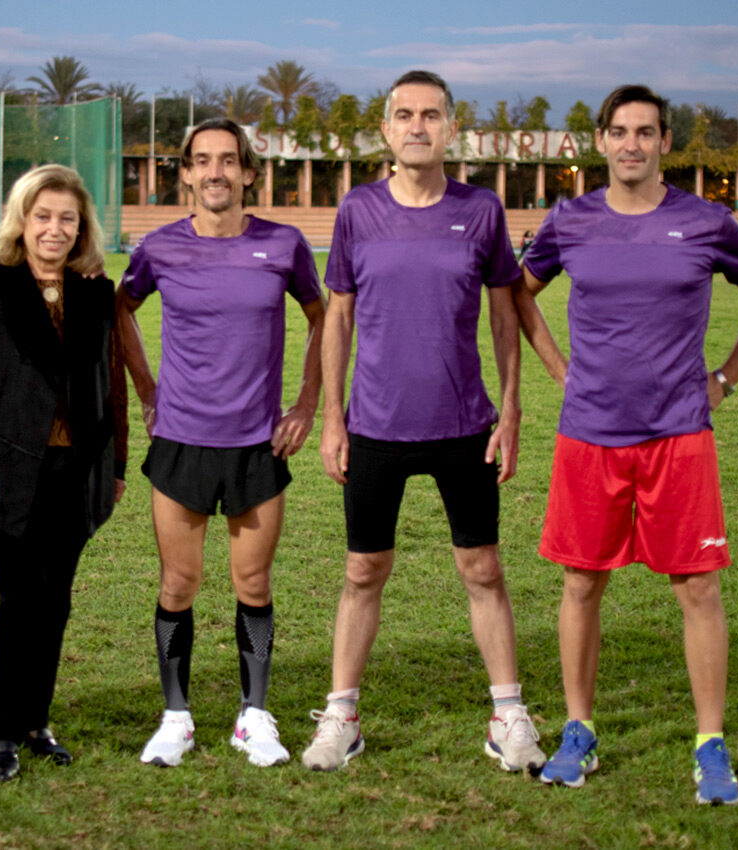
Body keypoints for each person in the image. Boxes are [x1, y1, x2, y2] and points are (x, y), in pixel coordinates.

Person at [514, 84, 738, 804]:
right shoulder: (570, 221)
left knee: (697, 586)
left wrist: (724, 377)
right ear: (601, 141)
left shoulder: (705, 222)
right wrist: (557, 372)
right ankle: (579, 730)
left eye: (646, 132)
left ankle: (710, 743)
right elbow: (516, 296)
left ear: (665, 143)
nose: (631, 143)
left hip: (679, 434)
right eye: (620, 131)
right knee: (580, 583)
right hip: (590, 436)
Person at [303, 70, 545, 776]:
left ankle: (508, 715)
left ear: (450, 128)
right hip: (375, 424)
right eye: (404, 114)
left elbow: (506, 314)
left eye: (430, 115)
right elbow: (338, 315)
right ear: (385, 130)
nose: (417, 126)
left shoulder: (481, 210)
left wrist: (512, 409)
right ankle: (341, 716)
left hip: (464, 423)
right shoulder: (357, 210)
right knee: (362, 570)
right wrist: (332, 418)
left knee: (483, 568)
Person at [118, 118, 324, 769]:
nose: (215, 172)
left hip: (257, 445)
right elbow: (119, 309)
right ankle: (175, 717)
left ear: (247, 172)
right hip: (181, 439)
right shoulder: (159, 247)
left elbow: (324, 318)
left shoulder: (284, 245)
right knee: (178, 581)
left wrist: (306, 403)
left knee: (253, 581)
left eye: (228, 161)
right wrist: (147, 390)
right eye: (202, 161)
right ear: (185, 173)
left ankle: (252, 715)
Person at [0, 163, 128, 782]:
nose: (54, 229)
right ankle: (3, 729)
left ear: (81, 229)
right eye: (43, 216)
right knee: (18, 602)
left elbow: (114, 388)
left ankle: (36, 721)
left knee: (56, 603)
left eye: (67, 219)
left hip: (78, 473)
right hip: (10, 470)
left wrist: (118, 466)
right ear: (22, 222)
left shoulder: (97, 295)